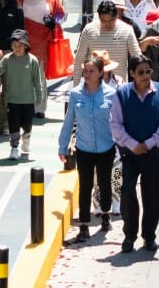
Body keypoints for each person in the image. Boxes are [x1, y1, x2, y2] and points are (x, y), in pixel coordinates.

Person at [110, 54, 159, 253]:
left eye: (148, 71)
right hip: (129, 154)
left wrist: (149, 143)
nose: (146, 76)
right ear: (131, 74)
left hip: (153, 154)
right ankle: (130, 235)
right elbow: (115, 124)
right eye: (140, 73)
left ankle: (149, 236)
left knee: (152, 196)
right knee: (127, 192)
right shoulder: (121, 94)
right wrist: (131, 144)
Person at [61, 55, 119, 245]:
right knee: (85, 185)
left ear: (101, 73)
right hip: (84, 147)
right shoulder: (76, 93)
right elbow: (69, 121)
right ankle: (84, 225)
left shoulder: (112, 93)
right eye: (85, 71)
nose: (87, 74)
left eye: (91, 71)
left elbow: (118, 121)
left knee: (104, 182)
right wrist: (63, 146)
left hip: (106, 147)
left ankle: (105, 214)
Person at [0, 31, 46, 160]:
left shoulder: (32, 60)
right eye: (14, 45)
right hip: (12, 100)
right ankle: (14, 148)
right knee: (13, 125)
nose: (16, 48)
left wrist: (39, 98)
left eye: (20, 45)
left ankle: (26, 140)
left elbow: (37, 81)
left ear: (26, 46)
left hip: (28, 100)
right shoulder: (7, 59)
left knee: (27, 125)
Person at [73, 0, 142, 82]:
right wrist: (76, 86)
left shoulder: (127, 30)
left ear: (117, 16)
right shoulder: (89, 30)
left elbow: (137, 57)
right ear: (99, 17)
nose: (107, 24)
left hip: (118, 85)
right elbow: (79, 59)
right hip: (92, 85)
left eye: (111, 20)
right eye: (104, 21)